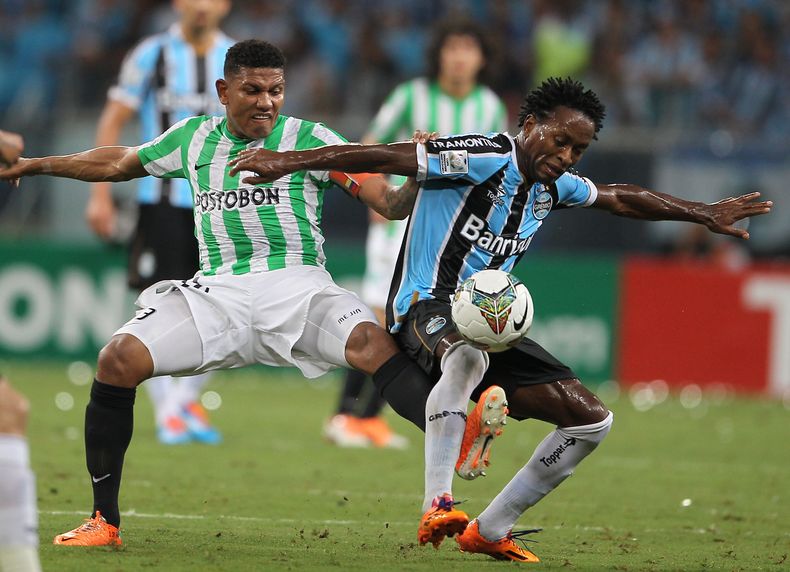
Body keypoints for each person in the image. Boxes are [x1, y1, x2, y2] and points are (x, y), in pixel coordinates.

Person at [226, 76, 773, 562]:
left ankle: (491, 529)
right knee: (466, 358)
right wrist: (290, 160)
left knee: (590, 421)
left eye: (578, 149)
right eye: (560, 140)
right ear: (529, 125)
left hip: (490, 323)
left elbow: (621, 198)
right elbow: (392, 156)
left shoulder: (554, 186)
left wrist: (701, 212)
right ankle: (438, 503)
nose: (566, 156)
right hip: (425, 305)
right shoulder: (484, 154)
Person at [0, 39, 488, 547]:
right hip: (218, 293)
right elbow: (118, 161)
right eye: (252, 90)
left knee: (373, 344)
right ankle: (103, 521)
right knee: (117, 359)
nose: (266, 101)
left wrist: (414, 181)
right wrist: (34, 165)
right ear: (223, 91)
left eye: (276, 90)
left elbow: (387, 203)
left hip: (298, 286)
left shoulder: (311, 139)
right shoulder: (192, 138)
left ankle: (463, 434)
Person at [325, 18, 509, 450]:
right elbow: (367, 146)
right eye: (452, 47)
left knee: (422, 325)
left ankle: (368, 418)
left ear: (481, 59)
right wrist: (380, 197)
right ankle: (345, 415)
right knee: (381, 317)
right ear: (439, 55)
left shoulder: (489, 107)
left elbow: (498, 171)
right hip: (400, 223)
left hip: (453, 236)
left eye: (468, 49)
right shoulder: (411, 96)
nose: (459, 57)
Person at [84, 0, 235, 446]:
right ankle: (170, 412)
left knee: (226, 306)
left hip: (222, 202)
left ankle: (181, 404)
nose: (203, 6)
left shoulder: (234, 58)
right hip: (162, 202)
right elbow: (113, 119)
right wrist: (99, 194)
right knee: (161, 308)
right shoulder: (152, 54)